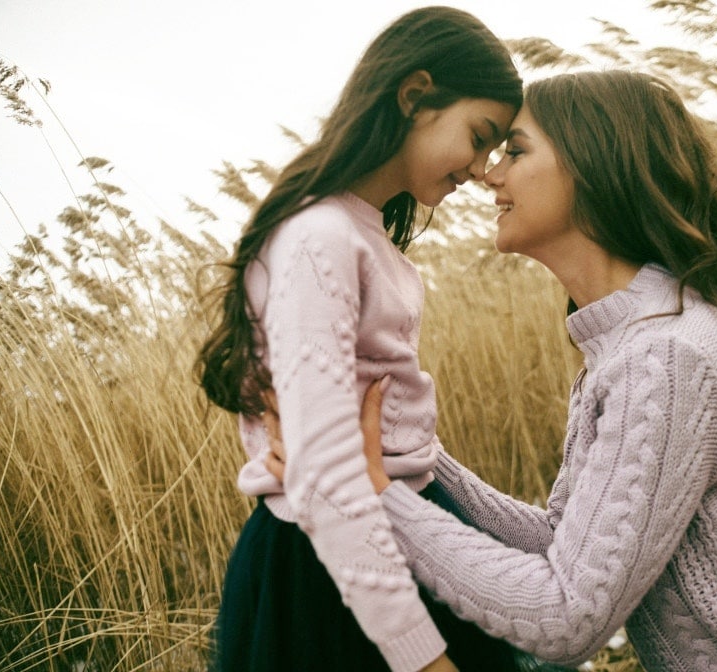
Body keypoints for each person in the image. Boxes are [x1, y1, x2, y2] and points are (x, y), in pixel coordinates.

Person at [265, 70, 717, 671]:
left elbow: (567, 619)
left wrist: (377, 496)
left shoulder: (667, 359)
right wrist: (418, 459)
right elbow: (567, 546)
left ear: (593, 166)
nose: (488, 174)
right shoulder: (631, 344)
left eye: (517, 151)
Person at [195, 6, 529, 672]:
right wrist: (422, 660)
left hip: (391, 539)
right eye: (479, 135)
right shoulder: (321, 237)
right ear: (415, 96)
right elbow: (324, 477)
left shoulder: (364, 235)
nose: (480, 168)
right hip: (332, 580)